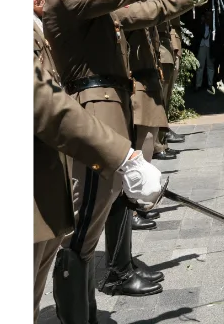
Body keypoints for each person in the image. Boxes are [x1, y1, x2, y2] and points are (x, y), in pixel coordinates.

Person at [41, 0, 224, 324]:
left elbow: (153, 8)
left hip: (112, 106)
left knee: (94, 220)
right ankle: (77, 316)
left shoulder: (92, 3)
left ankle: (85, 311)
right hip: (95, 109)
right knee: (83, 227)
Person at [35, 55, 167, 322]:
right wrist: (123, 157)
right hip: (80, 122)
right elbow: (41, 95)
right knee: (83, 231)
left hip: (45, 183)